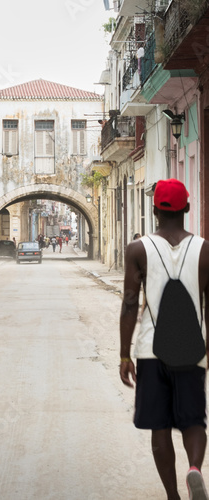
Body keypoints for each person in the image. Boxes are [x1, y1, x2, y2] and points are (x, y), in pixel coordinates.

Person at [120, 179, 209, 500]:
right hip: (192, 349)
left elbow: (131, 302)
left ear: (155, 209)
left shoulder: (138, 249)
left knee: (160, 425)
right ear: (186, 208)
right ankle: (195, 468)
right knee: (193, 419)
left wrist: (124, 355)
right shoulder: (204, 250)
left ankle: (172, 496)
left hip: (150, 351)